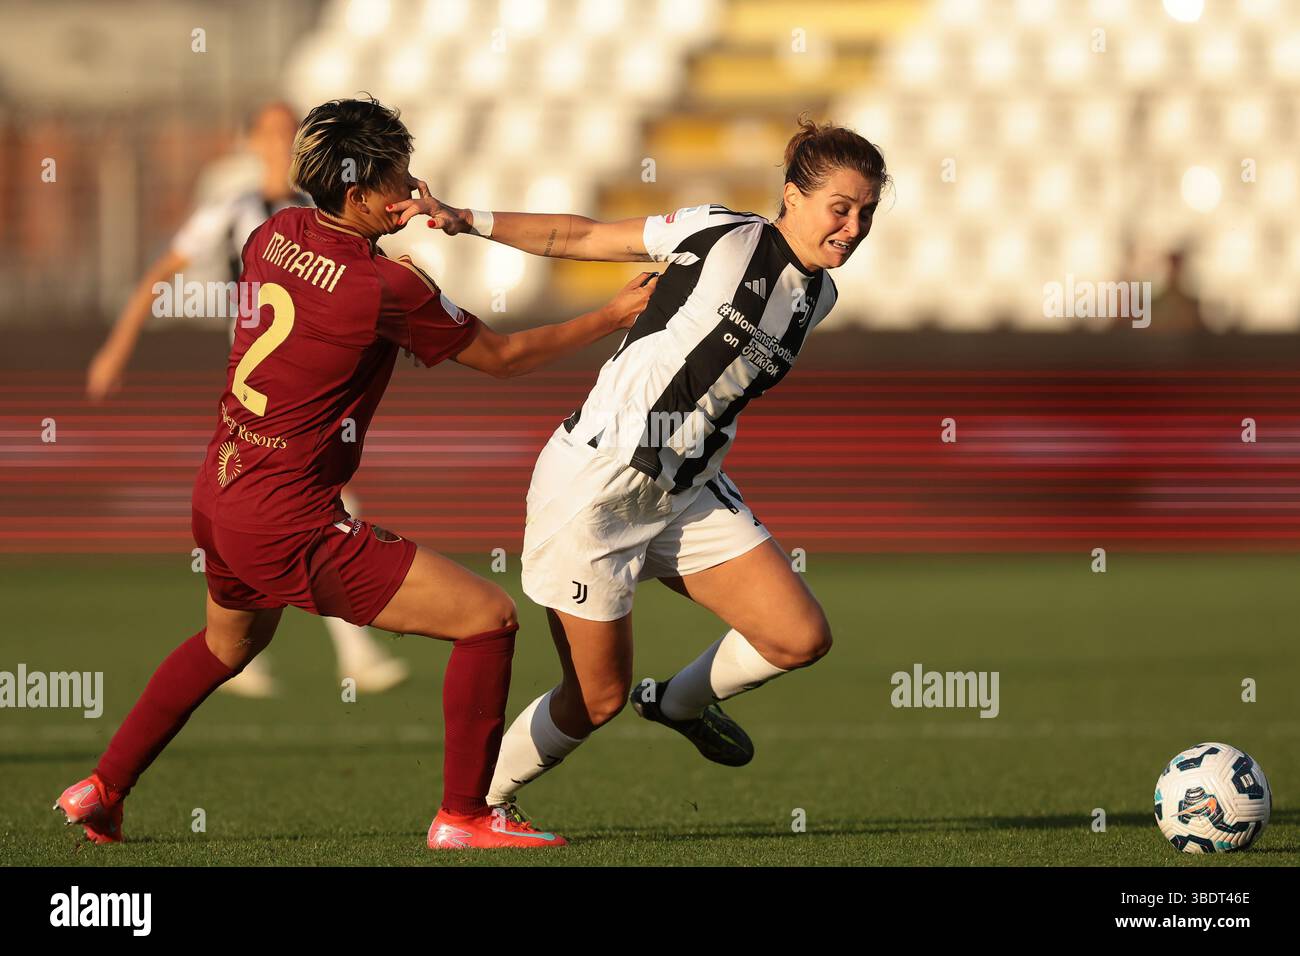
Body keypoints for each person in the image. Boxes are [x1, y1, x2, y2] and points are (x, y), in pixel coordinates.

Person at [55, 96, 657, 850]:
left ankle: (102, 788)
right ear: (357, 191)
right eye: (398, 180)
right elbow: (501, 360)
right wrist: (610, 316)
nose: (410, 191)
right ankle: (465, 817)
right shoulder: (385, 288)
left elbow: (314, 311)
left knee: (226, 646)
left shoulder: (270, 234)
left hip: (221, 489)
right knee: (488, 618)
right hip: (288, 516)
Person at [390, 116, 886, 814]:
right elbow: (582, 237)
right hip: (599, 484)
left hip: (687, 491)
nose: (854, 226)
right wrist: (467, 218)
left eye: (867, 212)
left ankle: (679, 706)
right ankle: (470, 810)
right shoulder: (721, 231)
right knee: (594, 700)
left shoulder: (819, 299)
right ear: (793, 197)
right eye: (842, 207)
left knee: (798, 637)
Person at [86, 101, 410, 699]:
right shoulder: (238, 210)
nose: (279, 139)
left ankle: (275, 647)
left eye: (288, 128)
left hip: (319, 373)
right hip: (262, 377)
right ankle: (315, 647)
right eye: (269, 129)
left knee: (283, 496)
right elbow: (164, 269)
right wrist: (117, 345)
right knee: (267, 494)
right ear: (252, 140)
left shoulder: (326, 203)